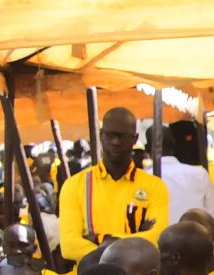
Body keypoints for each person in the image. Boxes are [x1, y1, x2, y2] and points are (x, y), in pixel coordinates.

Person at [57, 106, 171, 260]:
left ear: (135, 139)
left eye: (122, 136)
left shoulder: (154, 187)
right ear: (101, 135)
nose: (116, 142)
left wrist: (99, 239)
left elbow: (156, 239)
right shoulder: (74, 185)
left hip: (135, 274)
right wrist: (134, 240)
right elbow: (69, 247)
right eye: (110, 135)